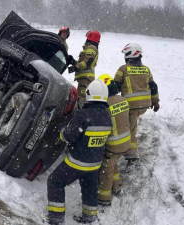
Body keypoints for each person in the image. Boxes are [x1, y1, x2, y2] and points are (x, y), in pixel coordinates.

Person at [46, 79, 112, 224]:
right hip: (95, 164)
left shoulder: (83, 114)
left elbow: (69, 136)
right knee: (90, 189)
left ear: (89, 95)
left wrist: (62, 132)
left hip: (77, 162)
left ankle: (55, 218)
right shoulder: (107, 116)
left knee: (55, 181)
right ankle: (89, 218)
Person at [112, 43, 160, 173]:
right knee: (132, 126)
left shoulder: (123, 69)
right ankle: (129, 153)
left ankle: (133, 159)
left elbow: (115, 87)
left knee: (130, 130)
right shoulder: (146, 69)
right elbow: (153, 86)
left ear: (129, 54)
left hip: (131, 105)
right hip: (144, 105)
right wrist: (155, 102)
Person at [96, 74, 131, 206]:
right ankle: (117, 186)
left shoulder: (105, 105)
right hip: (126, 142)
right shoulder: (123, 99)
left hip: (113, 145)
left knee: (106, 170)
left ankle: (104, 199)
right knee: (113, 162)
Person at [67, 30, 101, 108]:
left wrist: (76, 67)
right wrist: (74, 62)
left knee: (81, 99)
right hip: (85, 79)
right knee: (80, 98)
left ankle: (80, 116)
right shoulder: (92, 47)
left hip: (86, 79)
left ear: (90, 37)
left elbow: (87, 62)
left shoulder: (91, 47)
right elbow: (84, 62)